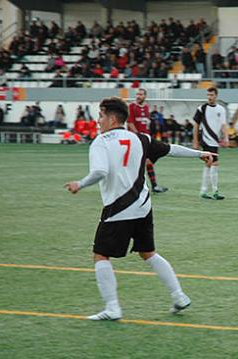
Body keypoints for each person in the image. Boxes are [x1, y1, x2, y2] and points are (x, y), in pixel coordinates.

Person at [64, 96, 215, 321]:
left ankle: (113, 308)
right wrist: (200, 154)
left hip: (118, 209)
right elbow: (170, 149)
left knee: (101, 255)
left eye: (101, 115)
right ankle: (179, 296)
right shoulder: (140, 138)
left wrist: (80, 184)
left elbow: (100, 172)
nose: (98, 120)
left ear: (112, 118)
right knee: (148, 253)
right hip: (143, 206)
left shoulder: (101, 142)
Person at [127, 88, 168, 193]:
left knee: (148, 161)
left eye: (140, 94)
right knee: (138, 163)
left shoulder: (146, 107)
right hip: (135, 139)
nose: (138, 96)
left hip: (145, 139)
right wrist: (138, 134)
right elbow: (130, 122)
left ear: (145, 96)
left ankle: (153, 186)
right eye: (137, 94)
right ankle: (138, 186)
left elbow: (146, 124)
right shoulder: (131, 107)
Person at [193, 87, 229, 200]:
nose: (209, 97)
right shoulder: (202, 108)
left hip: (215, 141)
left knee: (210, 164)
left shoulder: (221, 109)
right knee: (213, 163)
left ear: (216, 96)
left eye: (211, 95)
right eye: (208, 95)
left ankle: (204, 191)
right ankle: (214, 191)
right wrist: (195, 141)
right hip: (206, 140)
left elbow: (223, 125)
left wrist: (226, 137)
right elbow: (196, 125)